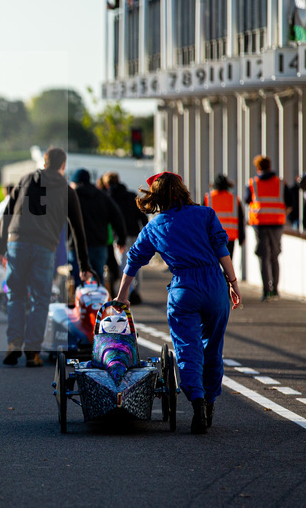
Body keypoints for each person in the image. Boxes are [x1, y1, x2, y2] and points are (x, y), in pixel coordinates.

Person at [115, 172, 242, 435]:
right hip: (214, 285)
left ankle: (196, 402)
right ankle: (209, 402)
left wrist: (122, 295)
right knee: (213, 347)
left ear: (157, 196)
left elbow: (134, 260)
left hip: (184, 287)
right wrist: (233, 282)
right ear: (181, 189)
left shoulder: (154, 226)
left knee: (187, 348)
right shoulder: (206, 214)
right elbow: (222, 248)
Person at [0, 148, 93, 368]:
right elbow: (78, 229)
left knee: (15, 295)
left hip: (16, 242)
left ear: (44, 162)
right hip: (44, 246)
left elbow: (8, 211)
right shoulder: (67, 191)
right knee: (41, 299)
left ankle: (13, 343)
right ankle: (32, 352)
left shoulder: (27, 179)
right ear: (63, 165)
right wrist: (84, 264)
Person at [69, 169, 127, 288]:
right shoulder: (102, 196)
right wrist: (122, 239)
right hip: (99, 244)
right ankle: (97, 305)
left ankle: (81, 305)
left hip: (77, 247)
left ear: (75, 182)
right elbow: (117, 217)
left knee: (79, 279)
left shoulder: (73, 197)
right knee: (98, 278)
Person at [244, 155, 290, 301]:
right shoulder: (281, 182)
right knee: (275, 255)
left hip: (260, 223)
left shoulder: (253, 183)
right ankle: (275, 289)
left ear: (258, 167)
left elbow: (247, 200)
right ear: (270, 166)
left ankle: (266, 290)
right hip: (277, 222)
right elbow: (290, 201)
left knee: (264, 256)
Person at [103, 172, 149, 303]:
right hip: (135, 234)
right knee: (135, 263)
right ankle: (134, 292)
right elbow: (143, 216)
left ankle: (123, 294)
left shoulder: (109, 197)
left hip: (118, 237)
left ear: (107, 183)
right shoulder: (131, 195)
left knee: (122, 265)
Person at [203, 174, 245, 258]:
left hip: (213, 236)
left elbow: (202, 219)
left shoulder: (208, 198)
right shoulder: (234, 198)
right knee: (228, 264)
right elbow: (241, 219)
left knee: (214, 263)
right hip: (230, 237)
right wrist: (242, 236)